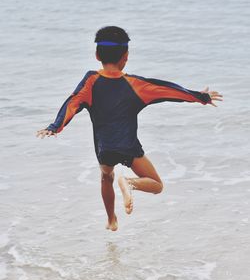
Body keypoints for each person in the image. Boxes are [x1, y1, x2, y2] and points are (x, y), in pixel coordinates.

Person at [36, 26, 223, 231]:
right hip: (129, 148)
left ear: (97, 55)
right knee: (156, 184)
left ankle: (111, 220)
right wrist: (201, 97)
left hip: (104, 149)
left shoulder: (90, 81)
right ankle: (130, 183)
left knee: (106, 177)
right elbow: (167, 90)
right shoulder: (136, 85)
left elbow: (73, 103)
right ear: (126, 57)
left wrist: (55, 126)